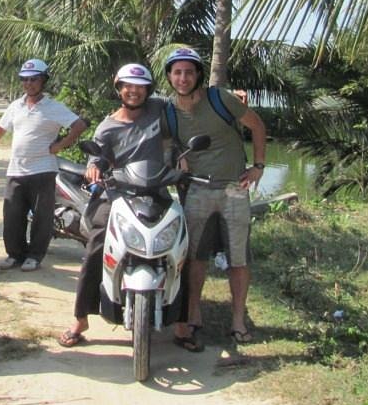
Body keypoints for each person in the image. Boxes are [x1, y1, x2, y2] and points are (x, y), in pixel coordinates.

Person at [57, 63, 171, 348]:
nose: (134, 92)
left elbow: (189, 98)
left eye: (140, 87)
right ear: (119, 88)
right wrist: (94, 167)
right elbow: (97, 157)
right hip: (118, 195)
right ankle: (81, 317)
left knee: (181, 240)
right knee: (98, 242)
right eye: (128, 86)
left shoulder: (159, 109)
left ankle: (183, 321)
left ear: (148, 90)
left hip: (156, 191)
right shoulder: (107, 127)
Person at [163, 47, 267, 346]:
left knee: (238, 258)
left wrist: (258, 167)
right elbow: (163, 139)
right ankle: (193, 314)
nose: (183, 78)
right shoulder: (168, 109)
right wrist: (176, 156)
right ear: (170, 76)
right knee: (195, 256)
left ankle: (238, 320)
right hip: (196, 189)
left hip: (234, 188)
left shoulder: (221, 99)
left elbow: (257, 125)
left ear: (198, 75)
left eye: (189, 72)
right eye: (177, 72)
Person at [0, 58, 88, 272]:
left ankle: (35, 256)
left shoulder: (53, 107)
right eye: (25, 79)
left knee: (42, 218)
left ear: (43, 81)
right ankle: (15, 254)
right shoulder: (15, 106)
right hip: (16, 170)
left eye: (34, 79)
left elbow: (78, 125)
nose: (29, 83)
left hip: (43, 170)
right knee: (12, 216)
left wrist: (60, 145)